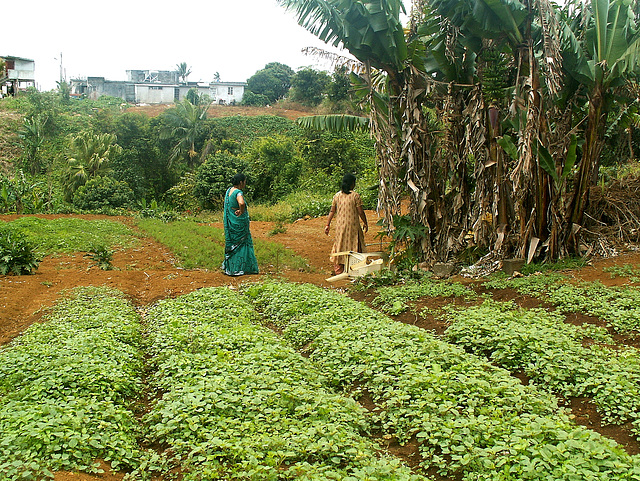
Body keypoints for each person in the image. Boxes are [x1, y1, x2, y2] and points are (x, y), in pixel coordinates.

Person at [324, 173, 368, 275]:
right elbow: (360, 212)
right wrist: (365, 222)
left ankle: (339, 270)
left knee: (340, 245)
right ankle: (355, 269)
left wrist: (328, 224)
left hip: (340, 227)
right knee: (355, 245)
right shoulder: (355, 196)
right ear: (352, 184)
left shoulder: (337, 196)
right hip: (353, 226)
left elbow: (332, 211)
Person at [222, 173, 259, 276]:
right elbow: (241, 203)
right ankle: (243, 268)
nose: (245, 183)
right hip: (239, 223)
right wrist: (241, 211)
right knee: (242, 244)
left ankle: (231, 268)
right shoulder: (238, 192)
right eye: (245, 181)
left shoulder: (229, 191)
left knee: (234, 244)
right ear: (241, 182)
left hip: (231, 222)